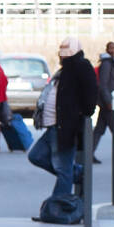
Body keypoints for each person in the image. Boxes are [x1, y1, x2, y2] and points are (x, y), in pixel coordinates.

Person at [28, 38, 98, 200]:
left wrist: (81, 114)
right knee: (36, 156)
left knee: (62, 169)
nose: (61, 56)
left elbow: (91, 94)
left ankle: (59, 207)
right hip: (54, 127)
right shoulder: (65, 69)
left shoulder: (81, 66)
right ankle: (77, 173)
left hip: (65, 127)